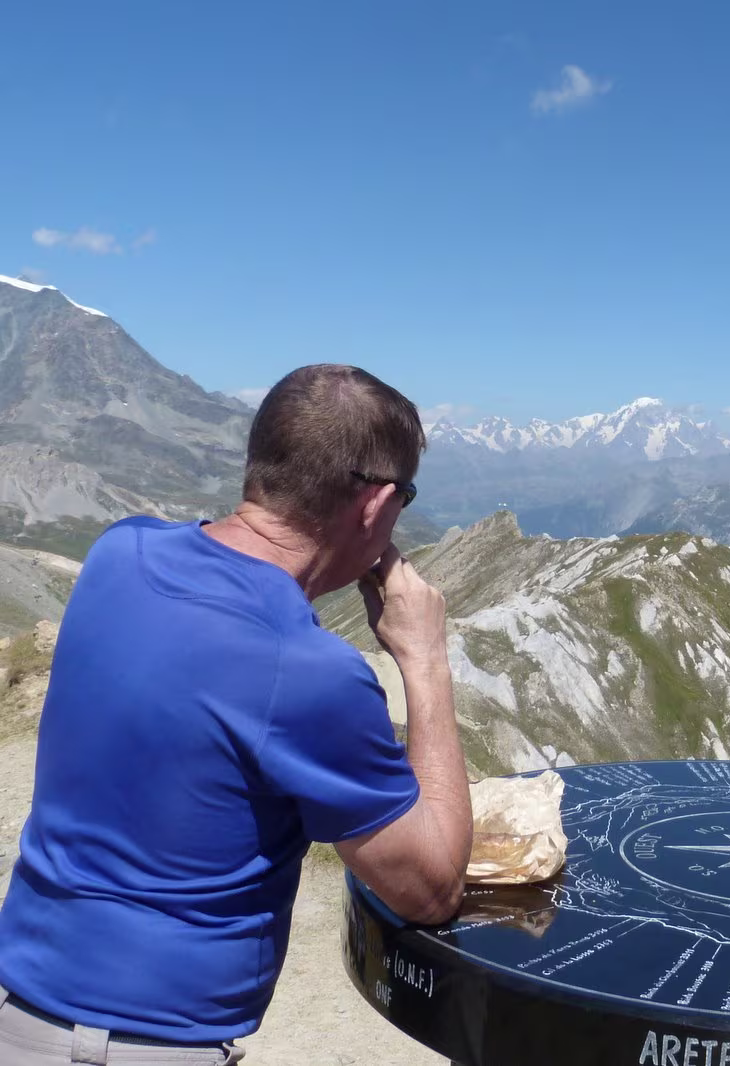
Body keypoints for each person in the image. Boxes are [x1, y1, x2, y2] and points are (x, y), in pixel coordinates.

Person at [0, 364, 472, 1063]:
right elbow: (430, 889)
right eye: (405, 497)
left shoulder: (118, 552)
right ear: (375, 506)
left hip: (14, 1012)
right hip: (145, 1048)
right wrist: (426, 661)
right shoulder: (308, 671)